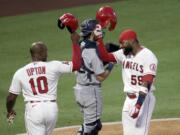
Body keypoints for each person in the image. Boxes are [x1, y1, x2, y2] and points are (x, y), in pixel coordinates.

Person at [6, 30, 81, 135]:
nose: (47, 53)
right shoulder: (54, 65)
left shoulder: (20, 72)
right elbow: (77, 65)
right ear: (40, 53)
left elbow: (11, 98)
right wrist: (75, 43)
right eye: (46, 51)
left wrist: (10, 110)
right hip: (52, 110)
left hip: (34, 110)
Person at [97, 29, 158, 135]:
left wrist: (138, 105)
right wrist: (100, 39)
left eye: (123, 43)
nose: (120, 46)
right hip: (128, 101)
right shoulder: (123, 54)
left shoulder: (148, 56)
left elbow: (147, 82)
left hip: (143, 100)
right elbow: (105, 57)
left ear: (132, 41)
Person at [74, 18, 114, 135]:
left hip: (80, 89)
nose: (100, 32)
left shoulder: (81, 44)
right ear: (91, 33)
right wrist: (111, 65)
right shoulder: (92, 51)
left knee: (91, 124)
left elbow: (88, 64)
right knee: (93, 126)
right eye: (97, 30)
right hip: (91, 92)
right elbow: (101, 77)